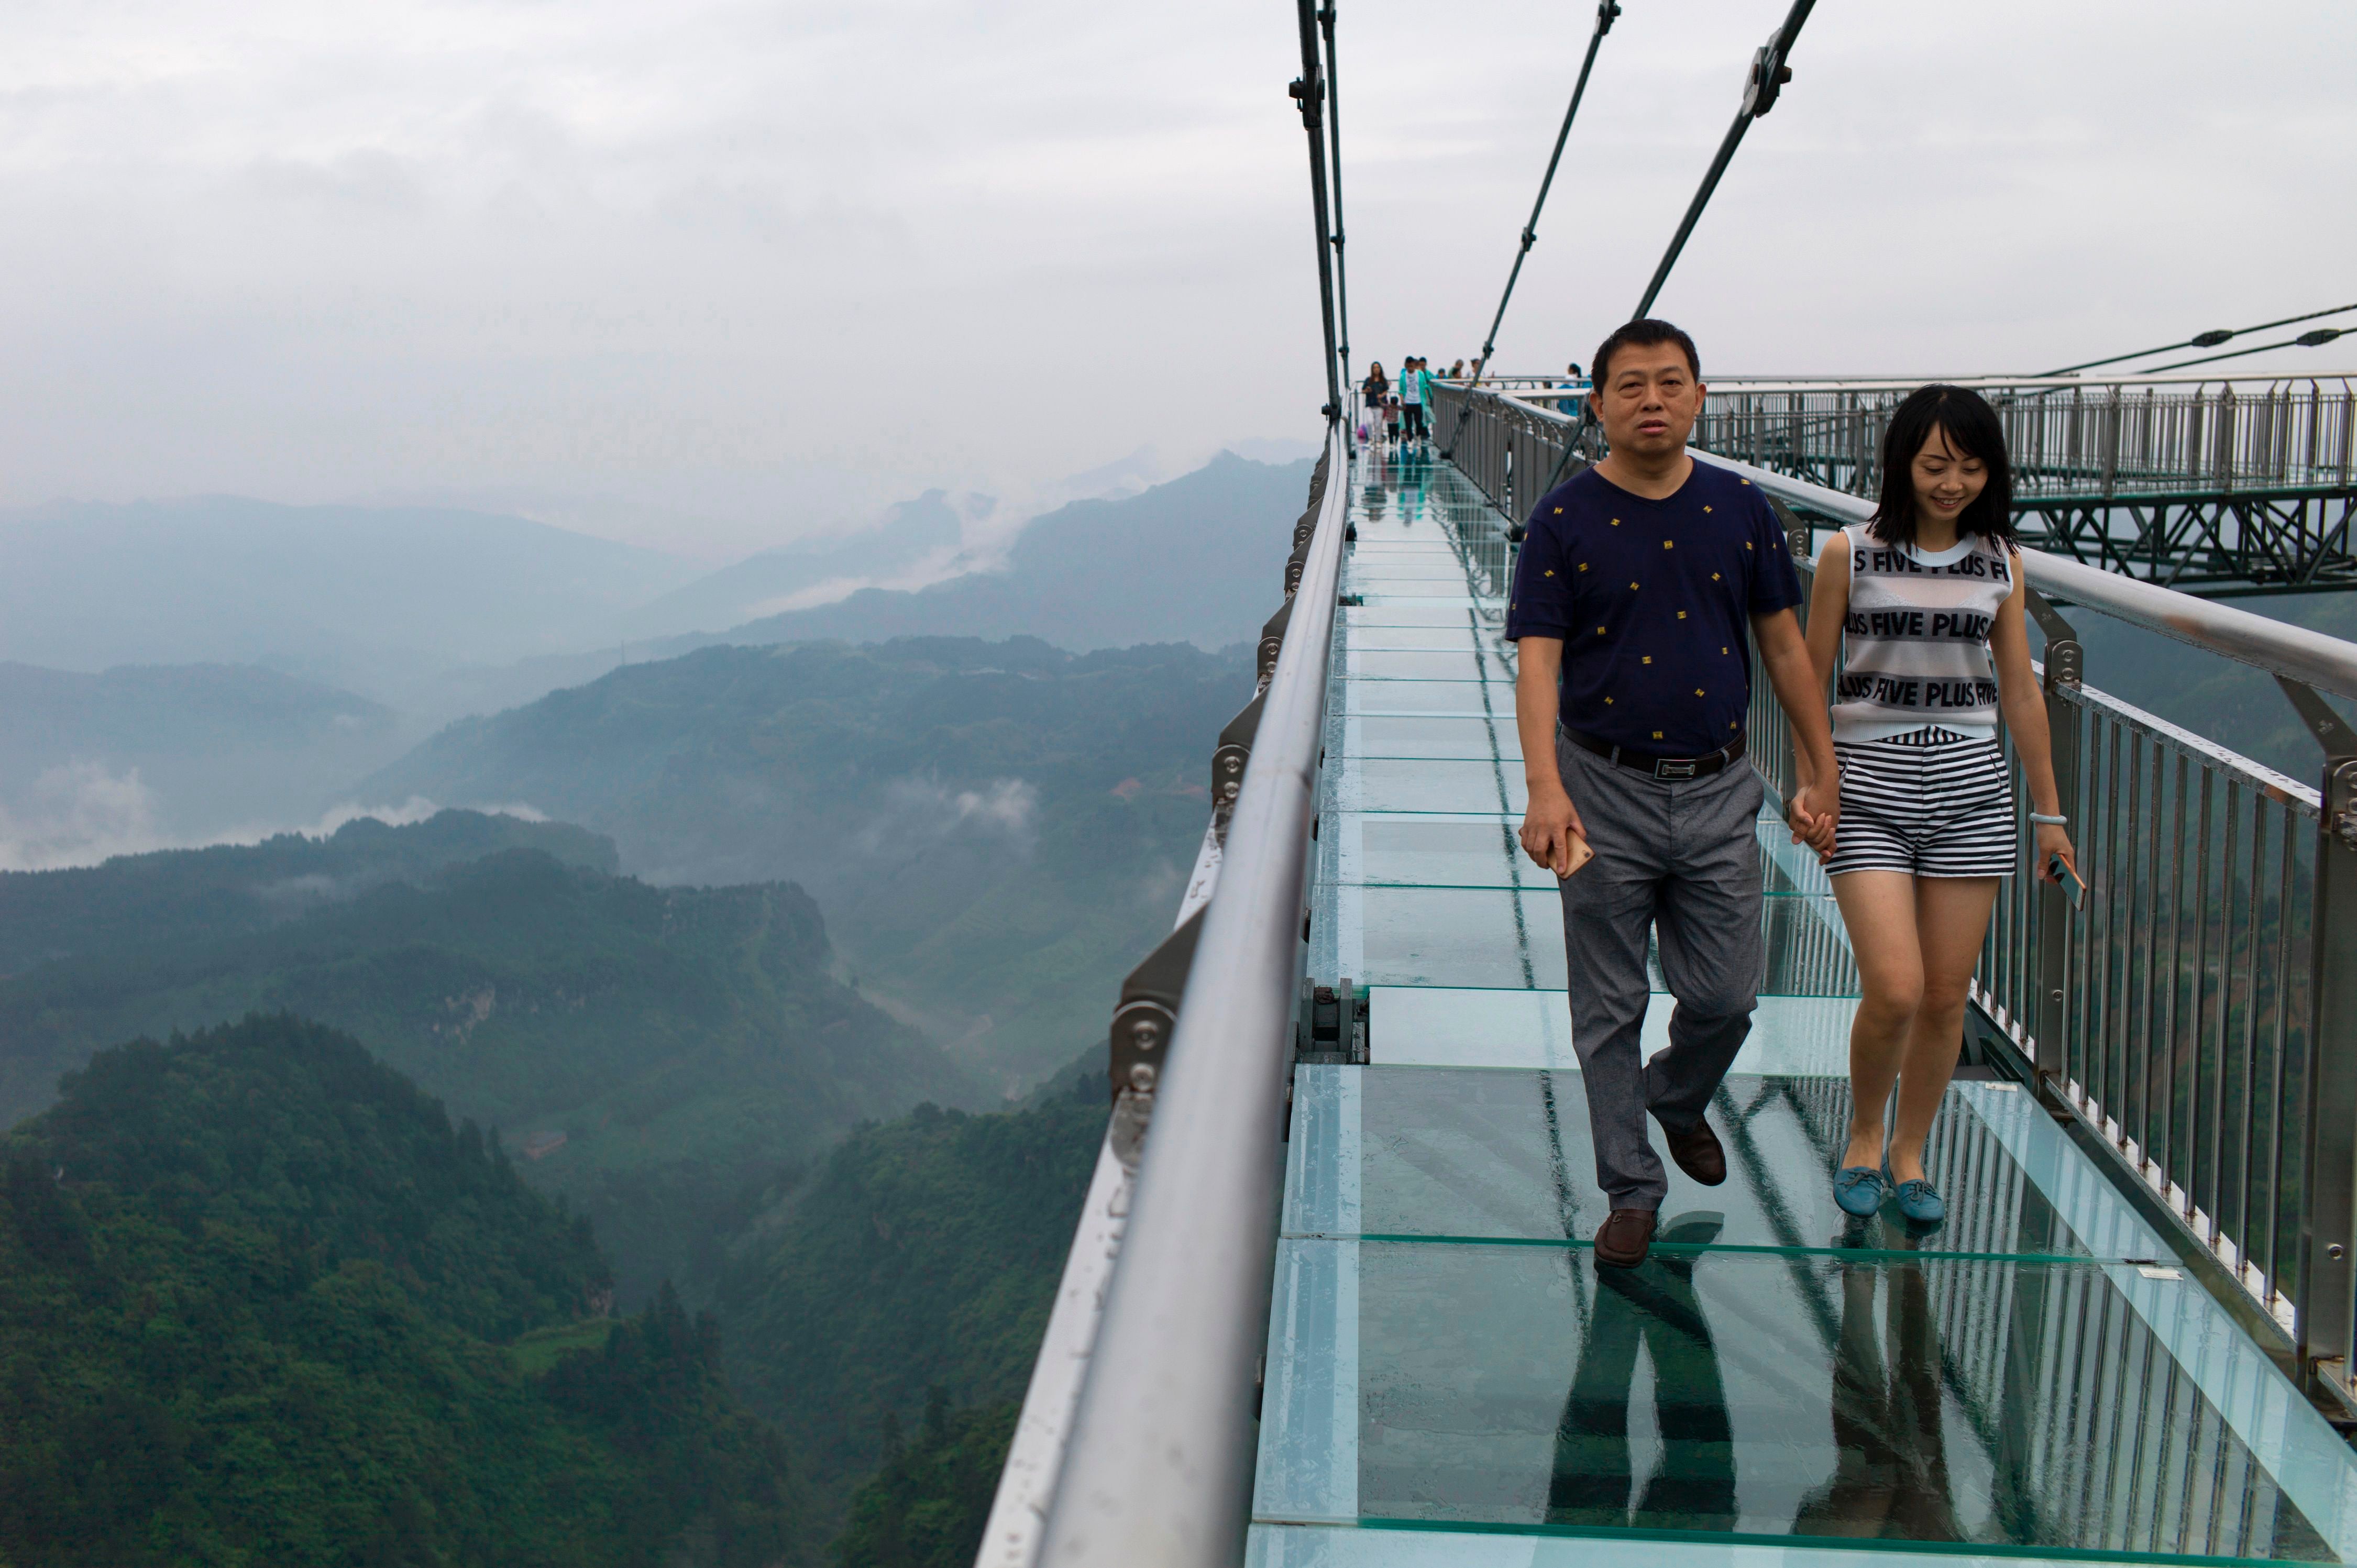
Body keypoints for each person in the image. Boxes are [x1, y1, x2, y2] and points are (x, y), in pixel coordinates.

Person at [1509, 318, 1840, 1270]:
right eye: (1630, 386)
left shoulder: (1740, 508)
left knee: (1727, 995)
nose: (1651, 400)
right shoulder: (1563, 520)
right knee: (1606, 1004)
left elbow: (1784, 645)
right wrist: (1546, 788)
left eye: (1670, 382)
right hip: (1600, 785)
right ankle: (1631, 1188)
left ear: (1700, 396)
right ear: (1597, 405)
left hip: (1718, 786)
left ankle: (1679, 1093)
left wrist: (1820, 767)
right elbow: (1539, 665)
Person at [1799, 384, 2075, 1227]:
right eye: (1933, 465)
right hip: (1869, 788)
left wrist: (2050, 813)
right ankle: (1864, 1134)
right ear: (1903, 465)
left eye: (1969, 465)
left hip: (1973, 793)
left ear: (1990, 470)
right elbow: (1808, 679)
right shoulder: (1849, 552)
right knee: (1895, 985)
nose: (1951, 482)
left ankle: (1912, 1153)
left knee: (1949, 995)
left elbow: (2021, 693)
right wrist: (1814, 782)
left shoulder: (2002, 562)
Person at [1361, 361, 1390, 447]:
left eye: (1378, 368)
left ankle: (1378, 441)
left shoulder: (1383, 380)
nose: (1376, 369)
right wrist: (1367, 391)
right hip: (1369, 404)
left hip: (1379, 405)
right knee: (1369, 422)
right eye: (1375, 368)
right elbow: (1363, 390)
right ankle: (1370, 439)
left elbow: (1386, 390)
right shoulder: (1368, 380)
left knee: (1378, 424)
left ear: (1380, 369)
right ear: (1372, 369)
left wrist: (1382, 396)